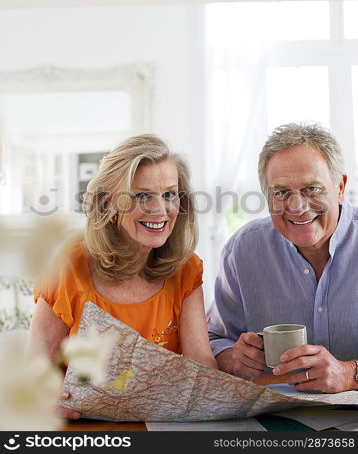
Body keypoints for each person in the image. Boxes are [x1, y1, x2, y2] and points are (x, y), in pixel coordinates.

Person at [29, 134, 217, 419]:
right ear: (108, 203)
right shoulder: (68, 267)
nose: (160, 209)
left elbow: (200, 362)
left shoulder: (186, 268)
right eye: (142, 196)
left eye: (169, 194)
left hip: (161, 423)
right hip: (85, 427)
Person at [207, 122, 358, 393]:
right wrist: (234, 358)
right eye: (281, 192)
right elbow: (214, 337)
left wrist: (350, 374)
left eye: (312, 189)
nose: (297, 207)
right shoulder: (244, 250)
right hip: (276, 420)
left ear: (340, 187)